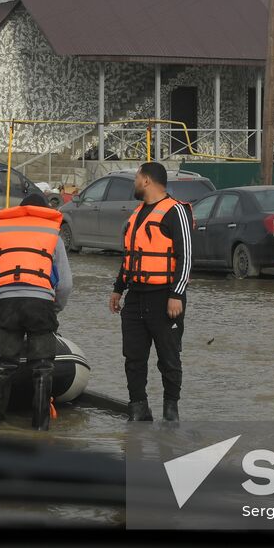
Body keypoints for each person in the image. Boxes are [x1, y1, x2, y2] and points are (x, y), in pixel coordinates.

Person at [109, 162, 191, 423]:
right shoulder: (137, 214)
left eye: (136, 178)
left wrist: (176, 294)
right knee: (133, 358)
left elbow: (186, 257)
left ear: (146, 180)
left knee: (169, 357)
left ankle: (171, 412)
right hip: (135, 297)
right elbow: (130, 256)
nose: (134, 183)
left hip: (165, 297)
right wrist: (118, 289)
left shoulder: (175, 211)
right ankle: (138, 409)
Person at [0, 192, 72, 430]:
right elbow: (66, 284)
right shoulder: (52, 236)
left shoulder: (1, 233)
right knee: (43, 366)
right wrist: (54, 308)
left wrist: (4, 300)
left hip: (7, 302)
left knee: (6, 363)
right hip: (40, 304)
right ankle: (39, 429)